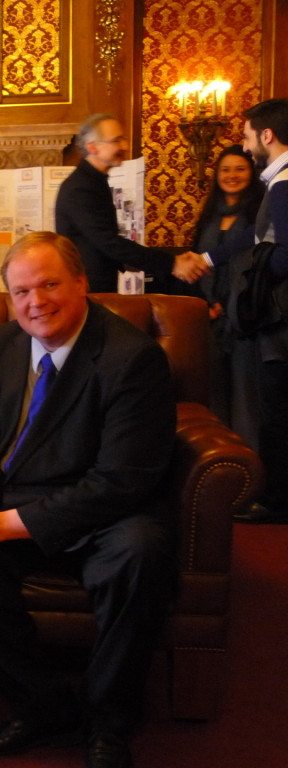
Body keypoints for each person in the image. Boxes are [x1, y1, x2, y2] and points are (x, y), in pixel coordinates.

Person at [0, 232, 177, 768]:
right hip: (11, 498)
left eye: (51, 284)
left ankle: (109, 720)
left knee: (141, 551)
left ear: (82, 283)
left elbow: (122, 482)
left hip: (101, 512)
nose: (37, 302)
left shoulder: (131, 358)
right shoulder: (2, 345)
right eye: (22, 292)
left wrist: (4, 525)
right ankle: (42, 706)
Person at [55, 113, 208, 292]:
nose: (125, 146)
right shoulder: (80, 188)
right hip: (85, 290)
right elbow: (108, 242)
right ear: (92, 147)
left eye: (123, 139)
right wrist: (171, 263)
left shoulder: (93, 181)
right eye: (116, 140)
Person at [234, 98, 288, 524]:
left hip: (282, 324)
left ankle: (276, 502)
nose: (244, 143)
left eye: (248, 134)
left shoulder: (284, 183)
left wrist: (257, 262)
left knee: (277, 413)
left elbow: (286, 255)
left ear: (266, 136)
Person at [190, 145, 265, 447]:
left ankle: (249, 467)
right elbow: (195, 263)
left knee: (246, 397)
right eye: (225, 169)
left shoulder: (259, 214)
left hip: (245, 320)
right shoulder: (209, 215)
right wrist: (206, 304)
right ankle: (220, 460)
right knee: (213, 392)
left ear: (252, 173)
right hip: (210, 320)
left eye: (240, 169)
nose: (232, 175)